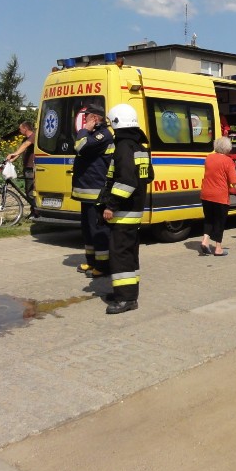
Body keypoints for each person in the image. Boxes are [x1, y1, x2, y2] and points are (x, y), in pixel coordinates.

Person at [100, 104, 153, 314]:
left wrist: (111, 205)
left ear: (116, 123)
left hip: (123, 212)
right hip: (135, 209)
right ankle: (126, 291)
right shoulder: (139, 146)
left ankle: (126, 299)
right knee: (129, 253)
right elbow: (148, 176)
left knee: (120, 254)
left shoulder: (123, 147)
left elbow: (126, 182)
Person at [71, 104, 114, 278]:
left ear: (95, 118)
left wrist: (85, 129)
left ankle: (102, 265)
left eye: (87, 117)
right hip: (86, 191)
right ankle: (91, 261)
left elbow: (80, 146)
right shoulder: (93, 134)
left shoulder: (103, 134)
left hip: (95, 191)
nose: (85, 120)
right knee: (88, 230)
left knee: (98, 230)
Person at [199, 136, 236, 257]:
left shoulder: (208, 158)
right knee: (219, 222)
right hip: (220, 196)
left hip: (206, 194)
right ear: (227, 148)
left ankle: (205, 241)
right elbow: (234, 181)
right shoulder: (228, 161)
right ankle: (218, 248)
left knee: (209, 219)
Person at [5, 120, 37, 218]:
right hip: (27, 168)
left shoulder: (34, 136)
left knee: (32, 191)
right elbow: (19, 153)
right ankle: (34, 211)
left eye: (20, 129)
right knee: (28, 191)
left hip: (32, 168)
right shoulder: (25, 139)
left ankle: (36, 212)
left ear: (25, 128)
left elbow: (25, 146)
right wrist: (10, 160)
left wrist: (14, 153)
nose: (19, 131)